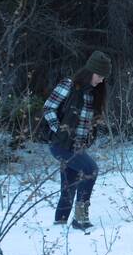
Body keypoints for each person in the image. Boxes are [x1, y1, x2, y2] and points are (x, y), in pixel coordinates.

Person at [43, 51, 111, 230]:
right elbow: (48, 108)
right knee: (91, 169)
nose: (101, 80)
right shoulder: (69, 85)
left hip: (77, 147)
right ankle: (80, 219)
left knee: (69, 185)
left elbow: (91, 123)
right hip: (61, 145)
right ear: (90, 71)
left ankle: (60, 222)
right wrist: (59, 130)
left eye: (104, 77)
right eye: (100, 76)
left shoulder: (93, 94)